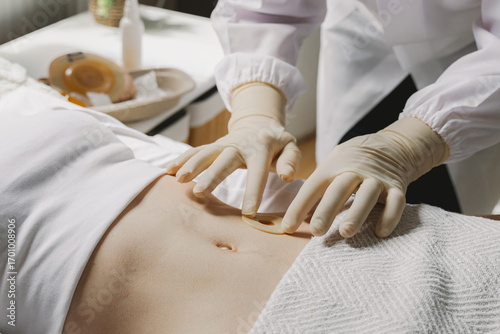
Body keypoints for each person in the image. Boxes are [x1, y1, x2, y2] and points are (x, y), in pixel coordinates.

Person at [166, 0, 500, 239]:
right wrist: (255, 113)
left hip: (477, 54)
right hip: (363, 28)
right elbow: (264, 8)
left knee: (434, 228)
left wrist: (411, 145)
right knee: (343, 201)